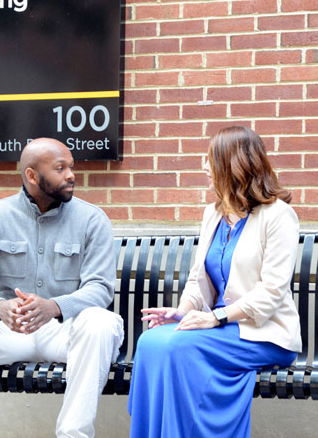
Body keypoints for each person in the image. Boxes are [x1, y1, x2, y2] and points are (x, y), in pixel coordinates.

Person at [0, 137, 124, 438]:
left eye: (72, 167)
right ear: (32, 176)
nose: (71, 175)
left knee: (101, 322)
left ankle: (73, 434)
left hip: (65, 331)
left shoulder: (92, 220)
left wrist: (55, 307)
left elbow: (100, 288)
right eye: (60, 168)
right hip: (10, 331)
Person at [128, 125, 302, 438]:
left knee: (176, 347)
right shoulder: (213, 214)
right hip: (219, 327)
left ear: (234, 166)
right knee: (150, 341)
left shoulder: (278, 216)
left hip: (263, 333)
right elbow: (199, 278)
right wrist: (182, 311)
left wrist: (215, 317)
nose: (203, 166)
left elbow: (272, 291)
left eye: (211, 158)